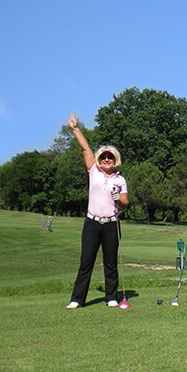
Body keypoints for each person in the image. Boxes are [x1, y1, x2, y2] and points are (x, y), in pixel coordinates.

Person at [66, 112, 129, 309]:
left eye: (110, 157)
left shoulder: (120, 180)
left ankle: (111, 297)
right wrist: (76, 129)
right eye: (103, 157)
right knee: (86, 263)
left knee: (110, 263)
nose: (106, 159)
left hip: (111, 224)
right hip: (92, 223)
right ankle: (77, 299)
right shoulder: (94, 172)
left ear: (115, 160)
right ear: (99, 159)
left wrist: (118, 199)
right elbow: (85, 148)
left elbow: (125, 203)